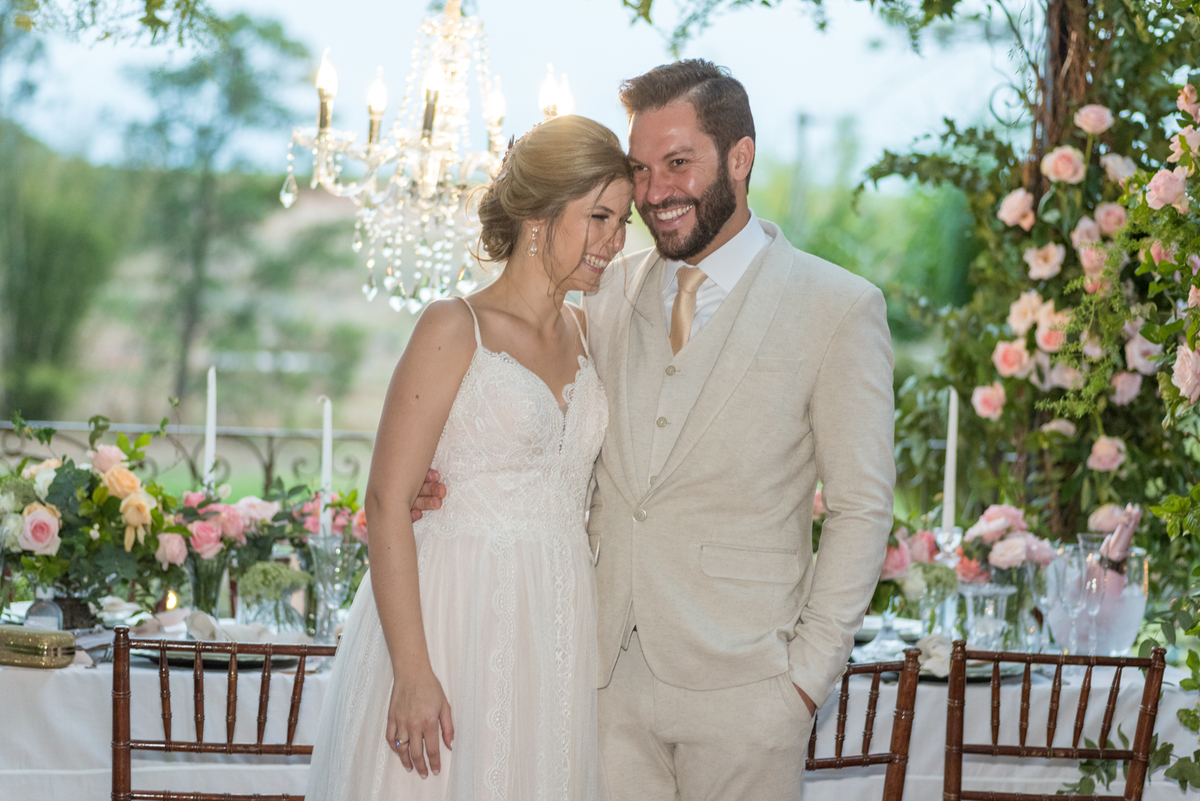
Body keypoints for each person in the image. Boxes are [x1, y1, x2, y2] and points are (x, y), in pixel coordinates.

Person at [417, 59, 895, 800]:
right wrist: (443, 477)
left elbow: (863, 508)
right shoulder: (607, 294)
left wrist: (804, 681)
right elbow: (537, 416)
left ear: (740, 158)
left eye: (678, 163)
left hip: (749, 693)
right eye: (640, 169)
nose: (653, 193)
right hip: (598, 683)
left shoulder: (837, 308)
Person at [305, 114, 633, 801]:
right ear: (540, 217)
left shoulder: (589, 330)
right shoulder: (454, 326)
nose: (615, 240)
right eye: (599, 216)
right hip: (456, 612)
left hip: (556, 619)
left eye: (622, 220)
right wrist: (413, 669)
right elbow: (388, 500)